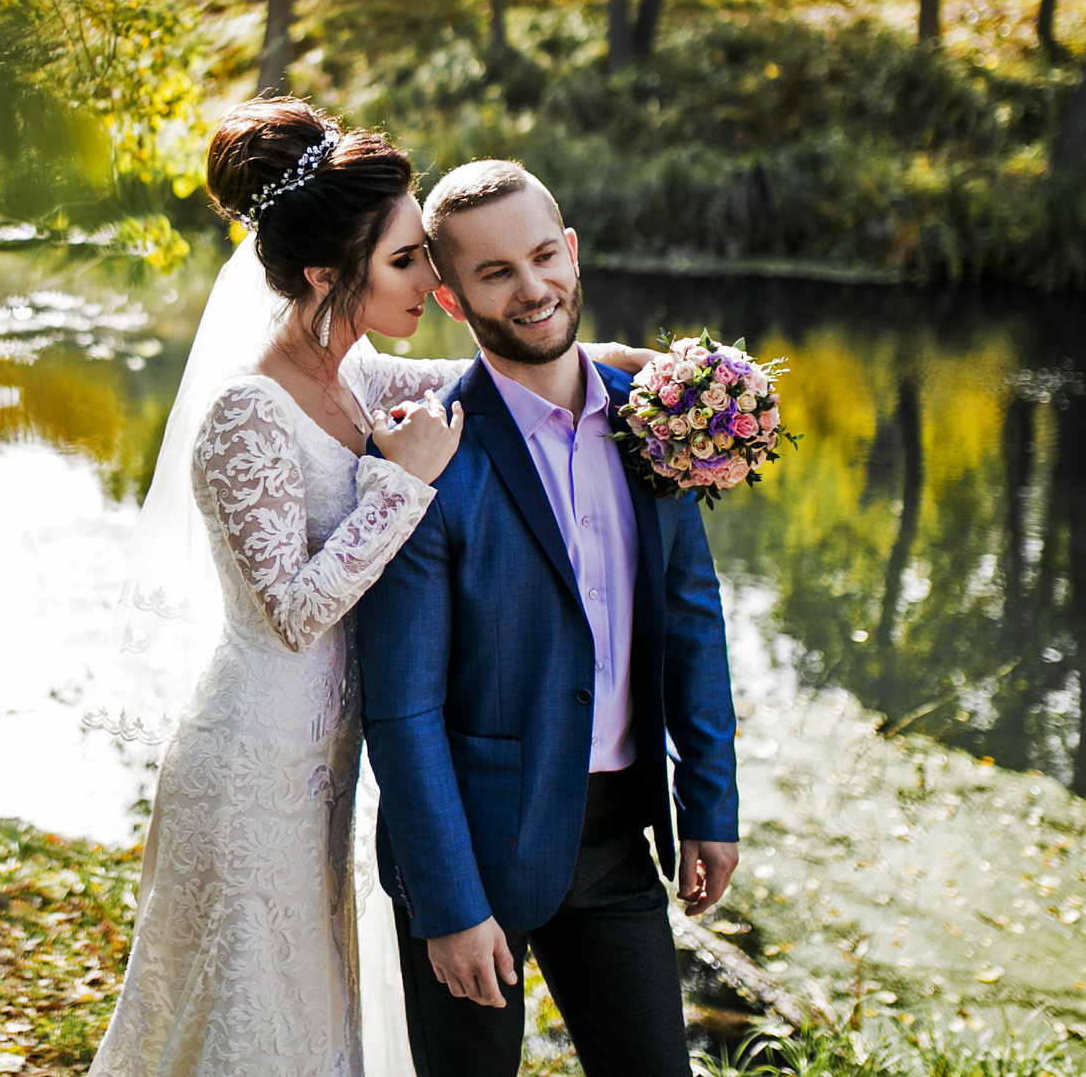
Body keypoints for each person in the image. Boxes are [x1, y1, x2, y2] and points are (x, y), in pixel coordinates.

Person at [89, 106, 652, 1077]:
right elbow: (293, 612)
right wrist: (401, 485)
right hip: (254, 764)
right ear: (325, 274)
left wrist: (639, 368)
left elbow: (485, 375)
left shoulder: (355, 371)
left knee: (311, 1018)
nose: (432, 279)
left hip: (328, 758)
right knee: (251, 1020)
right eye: (404, 260)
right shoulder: (246, 413)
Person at [355, 159, 739, 1077]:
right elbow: (400, 708)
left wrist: (710, 800)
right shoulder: (428, 453)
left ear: (570, 250)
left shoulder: (657, 425)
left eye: (541, 257)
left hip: (615, 840)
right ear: (452, 298)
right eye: (495, 273)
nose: (531, 288)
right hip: (471, 844)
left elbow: (692, 616)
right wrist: (449, 903)